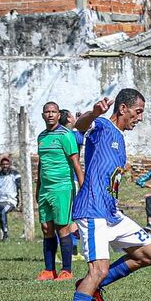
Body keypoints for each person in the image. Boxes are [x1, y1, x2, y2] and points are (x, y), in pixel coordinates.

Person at [55, 89, 151, 301]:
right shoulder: (101, 125)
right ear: (123, 109)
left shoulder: (120, 138)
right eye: (138, 112)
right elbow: (77, 129)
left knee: (150, 253)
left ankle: (91, 286)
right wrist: (93, 113)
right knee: (98, 269)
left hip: (111, 212)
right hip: (92, 210)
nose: (139, 118)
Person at [36, 101, 84, 281]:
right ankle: (49, 270)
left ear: (58, 115)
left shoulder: (66, 135)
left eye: (53, 112)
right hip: (45, 189)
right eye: (47, 112)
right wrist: (38, 187)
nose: (50, 115)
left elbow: (76, 164)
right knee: (46, 227)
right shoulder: (41, 137)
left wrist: (82, 189)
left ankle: (66, 270)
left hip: (62, 188)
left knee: (62, 227)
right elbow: (41, 164)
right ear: (43, 115)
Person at [59, 109, 86, 261]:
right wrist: (82, 122)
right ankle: (72, 250)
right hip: (72, 179)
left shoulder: (58, 135)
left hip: (61, 180)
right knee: (73, 215)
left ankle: (67, 249)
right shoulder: (73, 136)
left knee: (64, 215)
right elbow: (82, 136)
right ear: (69, 118)